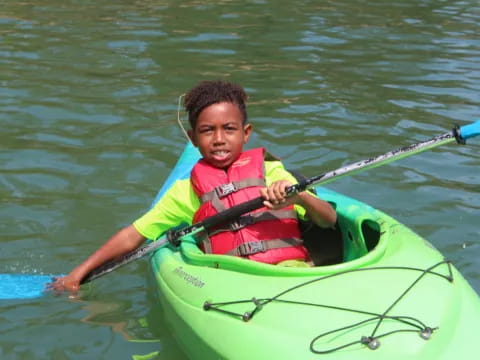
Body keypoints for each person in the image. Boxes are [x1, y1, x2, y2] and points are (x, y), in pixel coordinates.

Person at [49, 80, 336, 293]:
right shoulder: (185, 192)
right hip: (231, 284)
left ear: (246, 133)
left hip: (292, 276)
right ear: (193, 138)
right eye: (207, 131)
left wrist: (299, 198)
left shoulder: (272, 171)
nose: (219, 139)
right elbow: (132, 236)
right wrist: (78, 274)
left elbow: (328, 219)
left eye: (229, 129)